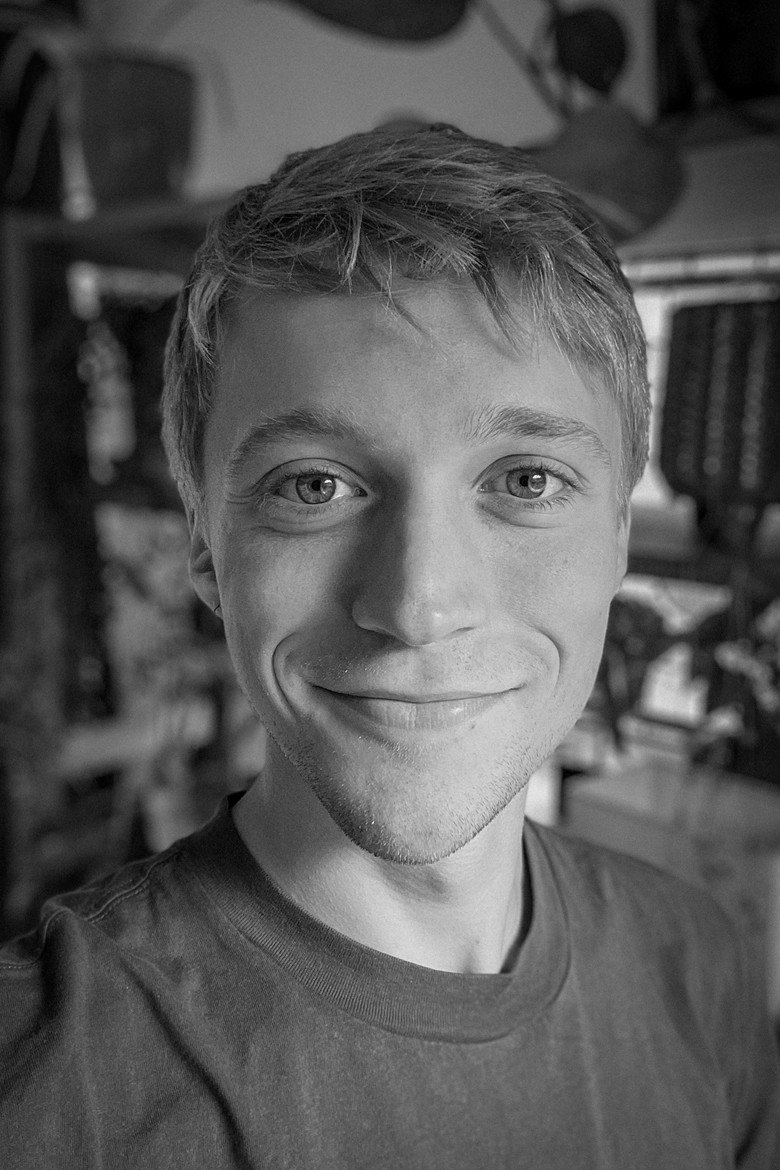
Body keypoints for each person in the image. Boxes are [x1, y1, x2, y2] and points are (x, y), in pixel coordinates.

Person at [1, 125, 778, 1168]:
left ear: (618, 542)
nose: (417, 606)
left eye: (526, 481)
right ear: (205, 546)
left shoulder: (699, 966)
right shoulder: (42, 1091)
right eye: (315, 485)